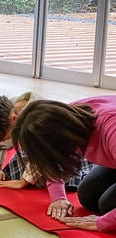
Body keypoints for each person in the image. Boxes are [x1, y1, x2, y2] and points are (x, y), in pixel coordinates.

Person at [11, 95, 116, 232]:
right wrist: (59, 198)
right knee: (88, 195)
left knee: (107, 205)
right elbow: (51, 160)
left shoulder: (110, 129)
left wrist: (103, 223)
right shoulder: (64, 119)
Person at [0, 93, 94, 191]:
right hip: (39, 150)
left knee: (57, 176)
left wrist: (23, 182)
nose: (6, 141)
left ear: (14, 119)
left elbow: (42, 153)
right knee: (13, 167)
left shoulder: (37, 117)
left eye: (5, 138)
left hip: (65, 151)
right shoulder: (3, 113)